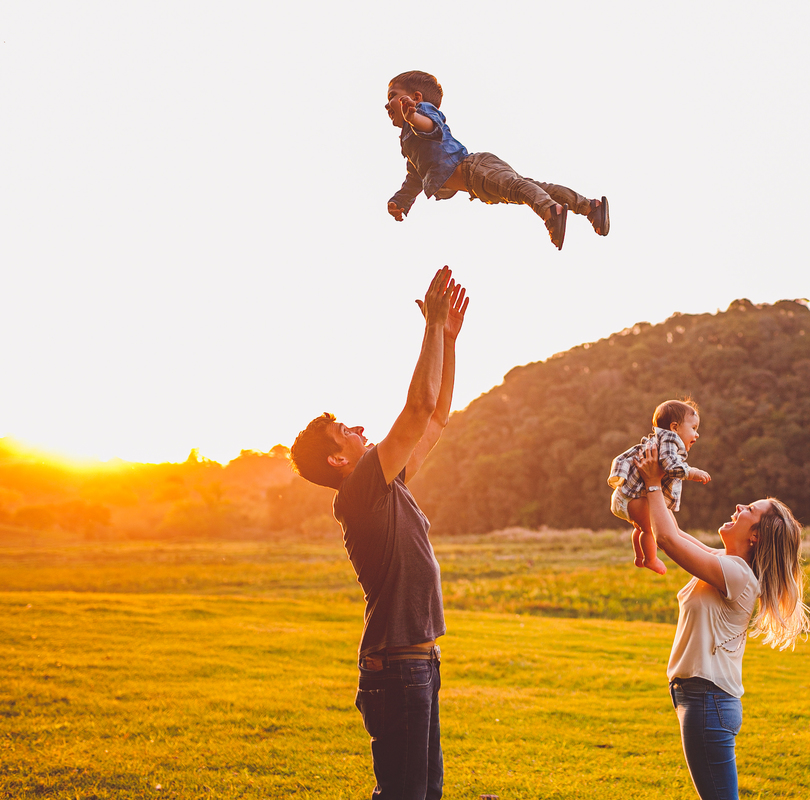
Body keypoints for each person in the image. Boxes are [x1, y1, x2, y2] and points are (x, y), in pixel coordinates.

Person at [289, 266, 467, 800]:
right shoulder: (360, 491)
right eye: (346, 430)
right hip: (398, 669)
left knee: (421, 795)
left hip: (416, 663)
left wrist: (448, 339)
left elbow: (434, 420)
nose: (360, 428)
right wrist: (429, 327)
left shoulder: (385, 485)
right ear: (338, 458)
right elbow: (415, 409)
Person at [635, 441, 810, 800]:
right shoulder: (727, 562)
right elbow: (676, 535)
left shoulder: (738, 574)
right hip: (701, 698)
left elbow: (669, 539)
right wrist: (657, 488)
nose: (739, 506)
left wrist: (653, 484)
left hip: (707, 700)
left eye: (749, 509)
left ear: (755, 535)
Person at [384, 70, 610, 250]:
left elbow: (433, 127)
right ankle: (591, 207)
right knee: (532, 188)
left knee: (518, 188)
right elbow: (415, 177)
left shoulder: (423, 112)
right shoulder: (408, 141)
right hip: (476, 186)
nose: (387, 105)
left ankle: (551, 211)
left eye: (392, 96)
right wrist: (401, 202)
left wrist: (412, 117)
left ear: (415, 98)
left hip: (475, 169)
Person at [608, 399, 712, 574]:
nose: (697, 434)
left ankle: (640, 557)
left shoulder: (659, 440)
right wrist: (692, 472)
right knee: (649, 529)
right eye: (693, 428)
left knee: (642, 527)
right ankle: (651, 559)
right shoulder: (670, 441)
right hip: (633, 497)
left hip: (627, 495)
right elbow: (671, 466)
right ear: (674, 427)